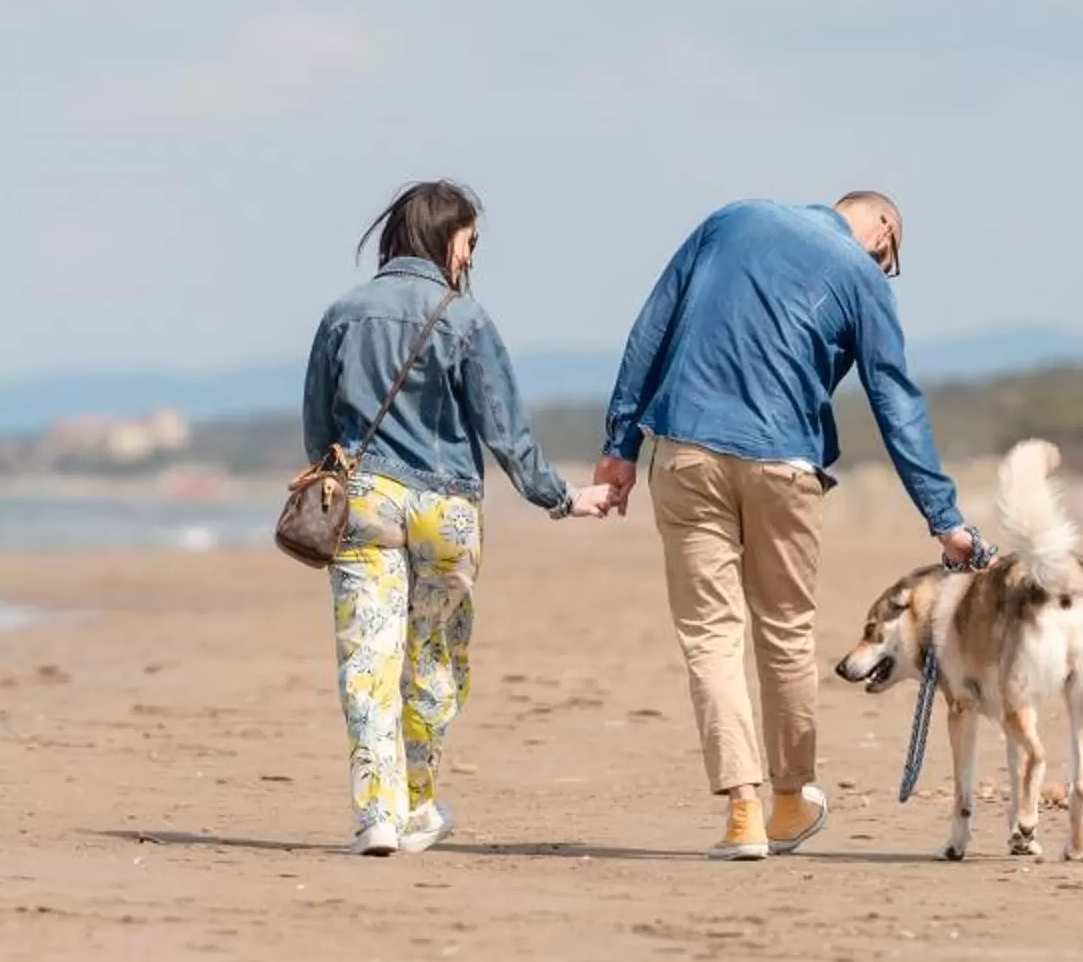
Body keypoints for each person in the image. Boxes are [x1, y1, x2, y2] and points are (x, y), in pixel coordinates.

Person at [587, 191, 979, 860]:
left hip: (685, 450)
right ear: (882, 227)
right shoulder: (860, 276)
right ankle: (790, 801)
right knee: (785, 630)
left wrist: (621, 445)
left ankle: (743, 814)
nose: (885, 270)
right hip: (786, 463)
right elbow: (895, 400)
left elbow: (652, 328)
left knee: (711, 634)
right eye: (891, 259)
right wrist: (945, 521)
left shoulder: (731, 219)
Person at [300, 180, 585, 856]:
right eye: (472, 241)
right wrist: (560, 496)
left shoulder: (344, 313)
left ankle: (376, 813)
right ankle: (419, 805)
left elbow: (319, 426)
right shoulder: (466, 318)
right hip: (448, 509)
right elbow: (505, 431)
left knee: (367, 659)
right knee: (431, 658)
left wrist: (336, 481)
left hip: (365, 500)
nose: (472, 256)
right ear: (449, 237)